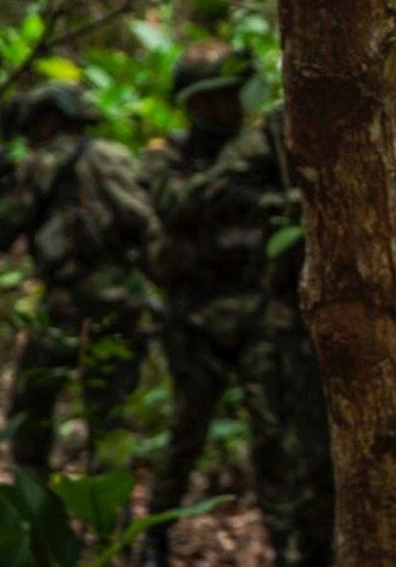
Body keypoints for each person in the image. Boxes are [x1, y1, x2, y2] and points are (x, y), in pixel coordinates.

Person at [139, 42, 332, 567]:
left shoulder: (263, 150)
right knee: (186, 432)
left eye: (229, 97)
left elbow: (297, 207)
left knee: (273, 439)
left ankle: (286, 546)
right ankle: (154, 537)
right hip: (193, 318)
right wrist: (244, 179)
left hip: (255, 314)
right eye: (210, 100)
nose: (222, 110)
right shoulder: (169, 153)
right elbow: (176, 205)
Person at [0, 83, 162, 476]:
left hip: (68, 306)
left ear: (46, 122)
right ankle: (111, 524)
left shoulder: (42, 164)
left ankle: (38, 516)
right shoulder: (116, 156)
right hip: (126, 303)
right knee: (110, 421)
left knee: (29, 412)